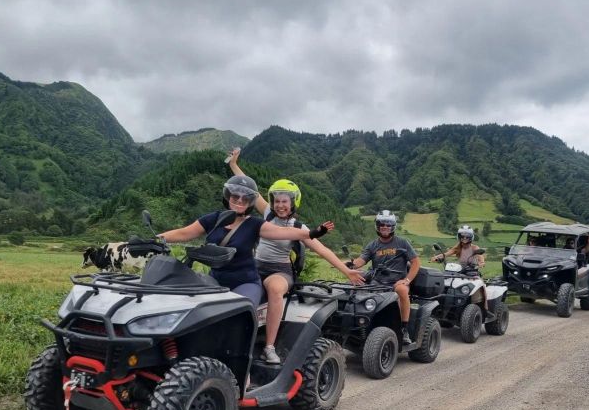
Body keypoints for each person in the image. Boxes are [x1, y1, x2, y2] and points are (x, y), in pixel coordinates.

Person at [228, 148, 364, 363]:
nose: (280, 205)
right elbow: (248, 185)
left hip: (279, 271)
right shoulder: (267, 213)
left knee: (274, 289)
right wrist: (234, 165)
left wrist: (346, 271)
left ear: (293, 203)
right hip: (254, 266)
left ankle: (269, 347)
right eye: (277, 201)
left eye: (285, 201)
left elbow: (323, 249)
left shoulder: (298, 227)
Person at [158, 174, 328, 312]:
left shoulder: (254, 224)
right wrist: (156, 239)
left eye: (245, 198)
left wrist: (312, 233)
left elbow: (284, 231)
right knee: (191, 308)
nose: (239, 201)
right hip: (216, 279)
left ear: (250, 202)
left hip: (245, 282)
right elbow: (184, 232)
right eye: (235, 196)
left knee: (239, 312)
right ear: (228, 197)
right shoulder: (214, 218)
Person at [345, 210, 420, 345]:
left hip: (397, 282)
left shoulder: (403, 243)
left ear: (393, 226)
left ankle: (404, 329)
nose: (385, 227)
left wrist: (407, 280)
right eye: (382, 224)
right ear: (377, 226)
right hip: (377, 281)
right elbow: (361, 261)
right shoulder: (372, 245)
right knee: (352, 284)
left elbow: (416, 262)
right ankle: (354, 323)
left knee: (402, 290)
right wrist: (351, 264)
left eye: (388, 224)